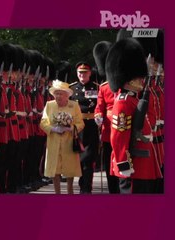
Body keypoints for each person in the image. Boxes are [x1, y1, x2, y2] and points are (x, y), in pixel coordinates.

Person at [106, 38, 163, 193]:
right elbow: (119, 137)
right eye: (137, 76)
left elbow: (148, 122)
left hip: (144, 162)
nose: (141, 79)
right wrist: (123, 163)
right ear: (127, 79)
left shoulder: (134, 99)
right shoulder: (123, 102)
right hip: (133, 165)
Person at [40, 80, 84, 194]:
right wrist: (53, 129)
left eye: (61, 93)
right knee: (55, 168)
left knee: (69, 168)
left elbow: (81, 123)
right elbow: (43, 122)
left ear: (67, 95)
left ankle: (70, 192)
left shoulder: (74, 105)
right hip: (54, 140)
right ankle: (57, 193)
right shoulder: (49, 105)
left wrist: (71, 128)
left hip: (68, 141)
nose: (58, 96)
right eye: (56, 93)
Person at [92, 41, 120, 193]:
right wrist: (98, 117)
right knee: (109, 164)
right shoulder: (104, 87)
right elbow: (99, 107)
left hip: (123, 129)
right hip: (108, 131)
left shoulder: (125, 85)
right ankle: (112, 191)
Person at [70, 62, 100, 194]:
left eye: (85, 73)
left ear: (90, 73)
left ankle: (86, 186)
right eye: (80, 73)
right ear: (77, 74)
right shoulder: (71, 88)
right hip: (77, 127)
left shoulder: (97, 88)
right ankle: (82, 183)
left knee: (89, 158)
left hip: (91, 125)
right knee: (79, 158)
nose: (82, 75)